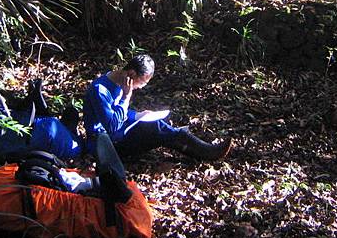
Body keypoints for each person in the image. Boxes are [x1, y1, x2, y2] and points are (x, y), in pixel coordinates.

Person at [83, 54, 232, 160]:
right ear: (131, 74)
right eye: (141, 83)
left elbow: (117, 113)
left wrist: (137, 116)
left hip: (118, 134)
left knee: (157, 125)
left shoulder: (121, 81)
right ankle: (205, 151)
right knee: (155, 128)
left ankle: (200, 149)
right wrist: (126, 97)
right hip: (104, 144)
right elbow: (112, 126)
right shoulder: (100, 90)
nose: (140, 88)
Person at [0, 80, 84, 161]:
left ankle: (68, 130)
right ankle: (68, 130)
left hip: (41, 133)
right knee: (75, 146)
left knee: (71, 144)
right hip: (43, 130)